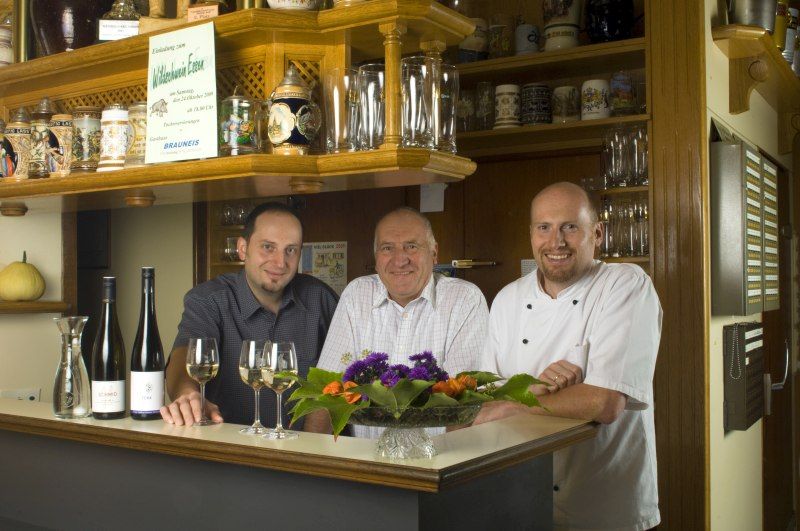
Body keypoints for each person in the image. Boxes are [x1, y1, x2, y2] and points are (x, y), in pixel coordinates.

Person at [475, 182, 662, 531]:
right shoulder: (506, 300)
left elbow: (605, 403)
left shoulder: (626, 285)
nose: (556, 241)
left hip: (603, 504)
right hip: (521, 499)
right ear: (531, 234)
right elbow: (485, 405)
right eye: (544, 227)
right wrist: (538, 391)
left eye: (570, 227)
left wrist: (517, 402)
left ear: (598, 233)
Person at [305, 207, 489, 437]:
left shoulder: (463, 299)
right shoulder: (357, 294)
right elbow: (326, 392)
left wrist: (445, 471)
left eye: (411, 246)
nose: (400, 260)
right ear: (376, 258)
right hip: (366, 463)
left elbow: (461, 401)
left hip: (436, 461)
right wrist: (313, 466)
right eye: (387, 248)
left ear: (434, 254)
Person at [160, 202, 338, 427]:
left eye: (290, 250)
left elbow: (347, 373)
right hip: (230, 452)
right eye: (268, 247)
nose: (280, 262)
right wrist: (188, 393)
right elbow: (184, 356)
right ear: (242, 248)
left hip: (303, 453)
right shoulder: (209, 300)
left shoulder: (321, 299)